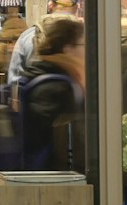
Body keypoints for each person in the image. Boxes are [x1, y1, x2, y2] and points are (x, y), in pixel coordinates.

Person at [23, 15, 89, 174]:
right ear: (68, 48)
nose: (87, 50)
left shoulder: (45, 74)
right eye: (83, 44)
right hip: (51, 181)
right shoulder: (57, 87)